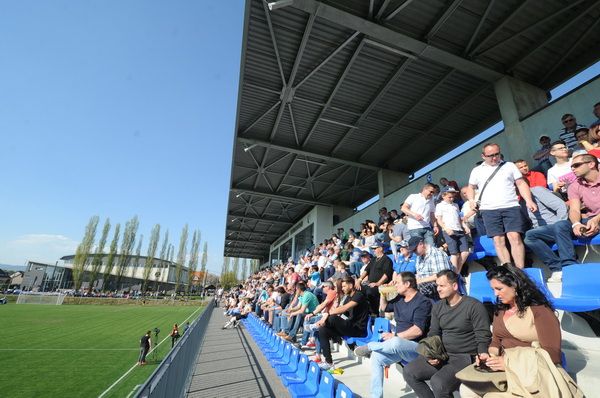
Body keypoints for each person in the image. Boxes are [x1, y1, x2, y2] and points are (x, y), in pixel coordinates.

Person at [459, 264, 561, 398]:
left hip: (531, 373)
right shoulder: (500, 310)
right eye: (493, 289)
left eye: (499, 288)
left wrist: (509, 363)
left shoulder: (540, 311)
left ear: (515, 285)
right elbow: (496, 341)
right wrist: (490, 356)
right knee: (466, 388)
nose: (495, 294)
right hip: (504, 369)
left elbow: (553, 354)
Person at [403, 270, 491, 398]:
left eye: (442, 286)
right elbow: (433, 333)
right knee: (409, 372)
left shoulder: (474, 306)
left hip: (465, 357)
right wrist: (431, 354)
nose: (438, 289)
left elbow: (483, 335)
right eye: (437, 285)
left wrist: (482, 353)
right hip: (443, 355)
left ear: (454, 286)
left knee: (438, 383)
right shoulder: (438, 307)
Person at [354, 272, 433, 398]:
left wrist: (395, 336)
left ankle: (370, 346)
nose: (394, 285)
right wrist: (383, 293)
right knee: (376, 357)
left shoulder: (422, 302)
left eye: (397, 283)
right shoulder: (399, 299)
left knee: (395, 342)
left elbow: (418, 331)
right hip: (397, 346)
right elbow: (384, 308)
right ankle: (376, 395)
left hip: (416, 348)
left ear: (407, 284)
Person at [466, 143, 537, 268]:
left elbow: (520, 183)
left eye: (496, 154)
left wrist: (529, 200)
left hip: (510, 206)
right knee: (498, 240)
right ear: (483, 156)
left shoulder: (509, 166)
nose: (494, 158)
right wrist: (471, 200)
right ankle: (508, 268)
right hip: (488, 209)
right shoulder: (477, 170)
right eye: (490, 156)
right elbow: (470, 187)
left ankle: (520, 269)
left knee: (514, 237)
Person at [522, 180, 576, 283]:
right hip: (543, 231)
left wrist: (561, 226)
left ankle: (569, 267)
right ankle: (557, 268)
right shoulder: (519, 202)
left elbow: (561, 206)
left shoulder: (536, 191)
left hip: (559, 226)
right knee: (529, 237)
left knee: (530, 235)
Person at [315, 276, 370, 371]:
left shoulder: (359, 295)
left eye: (344, 286)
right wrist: (325, 317)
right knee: (322, 330)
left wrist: (327, 315)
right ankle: (329, 362)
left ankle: (315, 326)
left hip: (358, 330)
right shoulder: (348, 297)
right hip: (349, 327)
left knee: (332, 318)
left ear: (351, 285)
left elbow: (344, 308)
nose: (342, 288)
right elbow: (340, 312)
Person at [435, 187, 470, 274]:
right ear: (443, 196)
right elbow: (439, 220)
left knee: (465, 252)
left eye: (453, 197)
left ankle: (457, 271)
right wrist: (446, 228)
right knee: (455, 254)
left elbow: (459, 218)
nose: (452, 198)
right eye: (449, 197)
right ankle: (455, 274)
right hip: (449, 231)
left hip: (459, 230)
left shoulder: (456, 205)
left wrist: (465, 226)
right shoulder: (439, 206)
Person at [407, 236, 452, 300]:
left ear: (421, 244)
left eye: (415, 249)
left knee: (418, 287)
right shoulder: (419, 257)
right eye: (413, 251)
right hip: (426, 286)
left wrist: (421, 280)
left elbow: (443, 275)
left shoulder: (436, 253)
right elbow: (419, 274)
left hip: (438, 286)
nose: (414, 252)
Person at [355, 242, 394, 315]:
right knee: (357, 290)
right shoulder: (373, 259)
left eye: (375, 248)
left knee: (370, 292)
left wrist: (378, 283)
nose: (373, 250)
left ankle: (374, 313)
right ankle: (363, 313)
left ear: (381, 248)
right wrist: (359, 280)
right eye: (372, 249)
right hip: (370, 283)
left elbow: (386, 275)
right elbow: (366, 270)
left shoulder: (387, 260)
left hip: (380, 285)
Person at [568, 153, 600, 239]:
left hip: (596, 218)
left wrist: (597, 219)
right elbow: (574, 210)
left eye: (576, 165)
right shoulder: (574, 186)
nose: (573, 169)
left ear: (591, 164)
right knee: (562, 227)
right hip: (591, 219)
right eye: (571, 167)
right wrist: (576, 224)